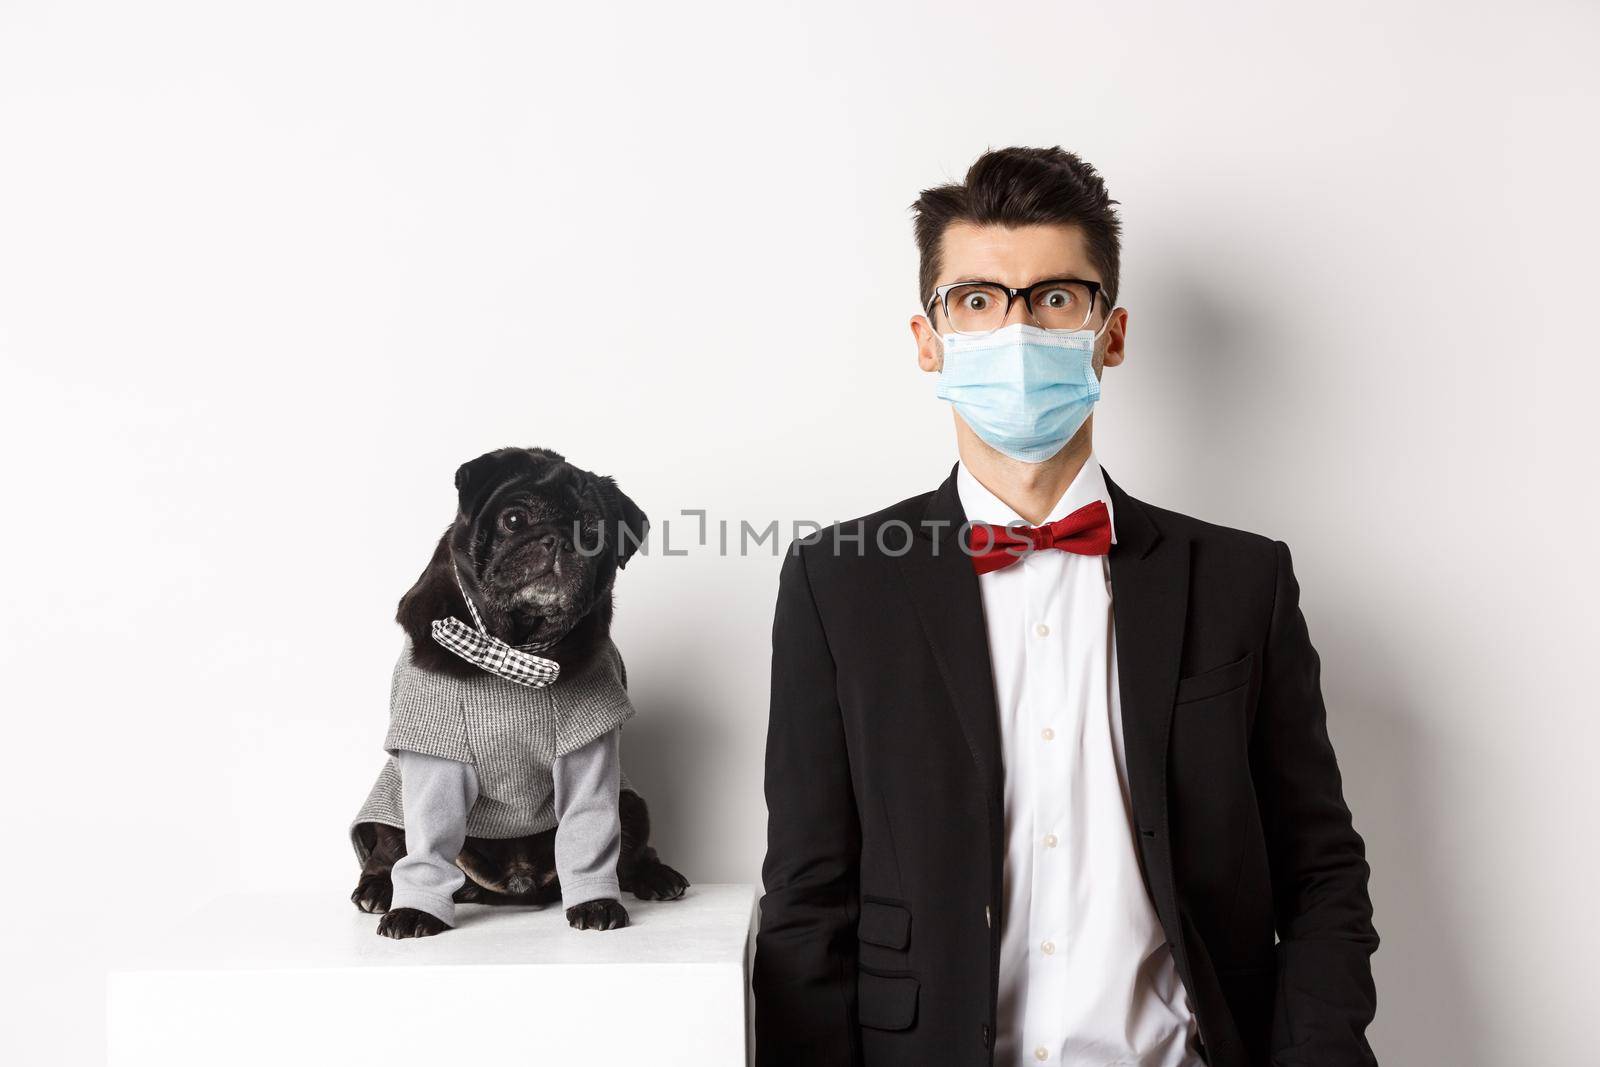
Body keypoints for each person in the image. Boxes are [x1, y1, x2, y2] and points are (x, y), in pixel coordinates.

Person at [752, 147, 1378, 1067]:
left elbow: (1321, 872)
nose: (1015, 328)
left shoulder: (1245, 579)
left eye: (1054, 297)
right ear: (929, 341)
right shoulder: (836, 582)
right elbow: (808, 900)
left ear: (1109, 333)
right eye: (976, 299)